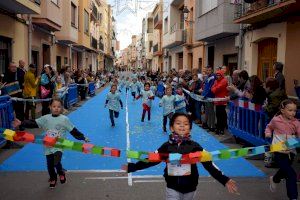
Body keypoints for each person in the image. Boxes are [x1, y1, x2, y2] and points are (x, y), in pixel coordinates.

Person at [122, 113, 238, 200]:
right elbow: (151, 159)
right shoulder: (166, 146)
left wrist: (224, 179)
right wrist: (133, 167)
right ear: (172, 127)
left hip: (191, 187)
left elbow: (209, 164)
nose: (182, 125)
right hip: (172, 186)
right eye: (178, 123)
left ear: (190, 128)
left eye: (186, 124)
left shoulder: (195, 146)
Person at [12, 97, 89, 189]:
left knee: (56, 162)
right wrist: (21, 123)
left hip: (59, 146)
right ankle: (54, 177)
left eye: (59, 107)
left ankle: (60, 173)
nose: (56, 108)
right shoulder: (46, 118)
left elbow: (73, 130)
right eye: (54, 106)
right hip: (48, 146)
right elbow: (34, 123)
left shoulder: (64, 119)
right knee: (50, 165)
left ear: (61, 108)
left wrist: (83, 137)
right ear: (50, 107)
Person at [265, 99, 299, 200]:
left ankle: (274, 179)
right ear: (282, 110)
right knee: (291, 174)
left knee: (284, 171)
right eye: (290, 110)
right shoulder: (276, 120)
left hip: (291, 152)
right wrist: (268, 133)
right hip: (278, 151)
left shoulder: (296, 123)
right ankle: (293, 197)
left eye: (294, 111)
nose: (293, 113)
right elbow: (269, 127)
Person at [211, 70, 229, 135]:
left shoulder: (224, 81)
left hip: (222, 100)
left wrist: (215, 88)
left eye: (219, 75)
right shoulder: (216, 81)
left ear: (221, 75)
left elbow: (217, 89)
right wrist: (215, 88)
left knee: (221, 115)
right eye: (217, 75)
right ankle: (218, 127)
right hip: (217, 100)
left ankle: (222, 128)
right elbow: (212, 89)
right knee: (218, 114)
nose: (218, 76)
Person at [201, 66, 215, 131]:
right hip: (205, 96)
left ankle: (212, 126)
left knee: (211, 112)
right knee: (207, 111)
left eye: (209, 70)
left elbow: (210, 88)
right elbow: (205, 87)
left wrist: (205, 95)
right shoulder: (207, 77)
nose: (208, 71)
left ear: (212, 70)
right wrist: (203, 94)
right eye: (207, 70)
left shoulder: (212, 77)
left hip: (210, 96)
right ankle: (206, 124)